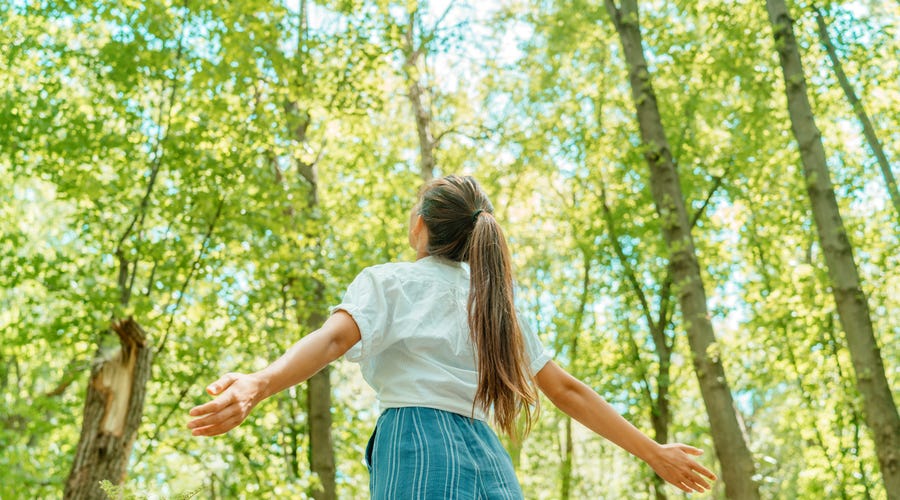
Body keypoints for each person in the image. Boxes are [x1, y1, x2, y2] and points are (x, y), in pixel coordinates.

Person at [188, 175, 717, 497]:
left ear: (421, 225)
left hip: (415, 442)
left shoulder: (391, 280)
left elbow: (330, 342)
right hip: (489, 456)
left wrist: (258, 382)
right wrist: (651, 452)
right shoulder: (495, 304)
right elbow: (567, 390)